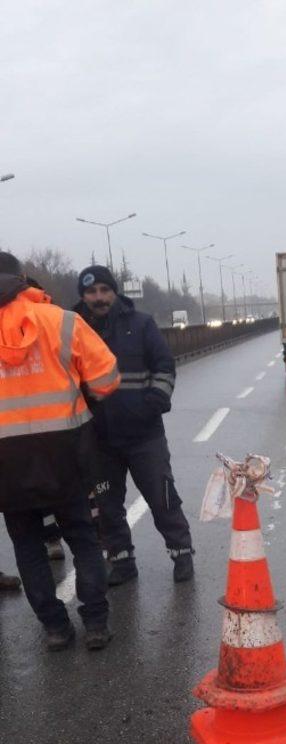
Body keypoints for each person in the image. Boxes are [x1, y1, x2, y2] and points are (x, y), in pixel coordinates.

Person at [0, 252, 120, 650]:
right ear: (22, 278)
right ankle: (96, 623)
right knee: (83, 536)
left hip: (6, 466)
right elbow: (106, 381)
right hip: (67, 454)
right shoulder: (62, 321)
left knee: (27, 545)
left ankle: (55, 628)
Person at [75, 266, 194, 585]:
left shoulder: (140, 324)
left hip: (144, 435)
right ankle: (122, 561)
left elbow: (164, 366)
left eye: (104, 290)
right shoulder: (73, 329)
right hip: (98, 437)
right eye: (91, 292)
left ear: (114, 292)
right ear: (83, 296)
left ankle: (182, 553)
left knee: (162, 497)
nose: (98, 298)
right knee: (107, 506)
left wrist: (153, 402)